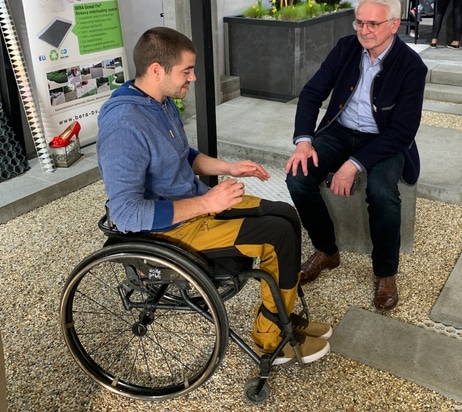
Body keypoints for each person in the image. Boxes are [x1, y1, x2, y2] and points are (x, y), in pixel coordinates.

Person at [96, 27, 331, 364]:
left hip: (197, 208)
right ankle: (270, 338)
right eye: (186, 71)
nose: (192, 78)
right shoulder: (124, 125)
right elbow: (127, 214)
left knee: (286, 213)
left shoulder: (158, 102)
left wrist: (231, 168)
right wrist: (208, 202)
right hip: (171, 230)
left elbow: (183, 155)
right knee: (278, 236)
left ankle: (283, 315)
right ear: (157, 69)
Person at [285, 0, 427, 311]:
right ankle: (326, 249)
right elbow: (311, 93)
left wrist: (353, 164)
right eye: (359, 23)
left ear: (393, 24)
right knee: (298, 177)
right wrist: (304, 141)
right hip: (340, 130)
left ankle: (386, 272)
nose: (364, 30)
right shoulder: (346, 48)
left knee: (382, 191)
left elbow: (402, 131)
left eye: (372, 24)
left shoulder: (412, 67)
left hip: (385, 139)